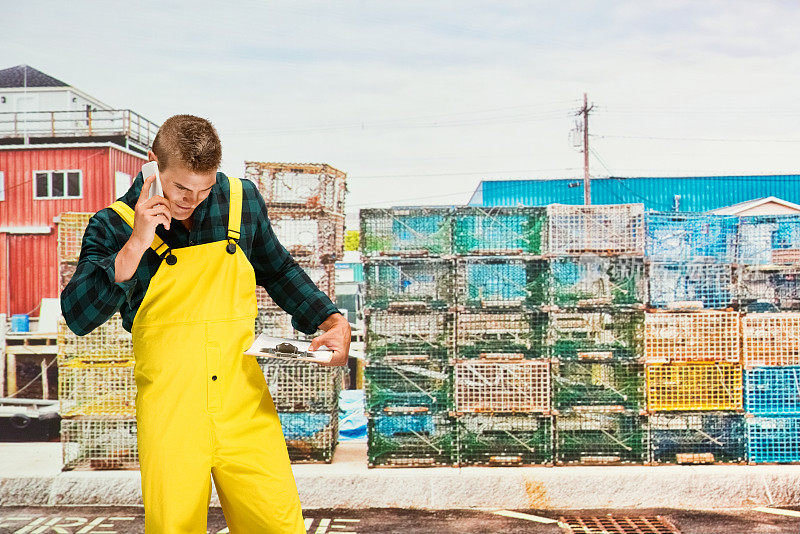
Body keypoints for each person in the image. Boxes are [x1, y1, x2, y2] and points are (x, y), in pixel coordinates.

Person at [60, 114, 351, 533]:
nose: (191, 200)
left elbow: (279, 270)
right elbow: (78, 316)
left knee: (278, 523)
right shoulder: (113, 224)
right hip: (171, 413)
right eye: (180, 187)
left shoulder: (241, 199)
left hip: (244, 404)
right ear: (151, 163)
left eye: (204, 188)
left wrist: (330, 318)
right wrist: (137, 243)